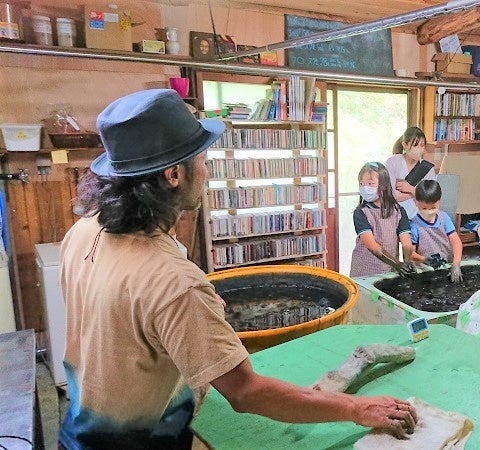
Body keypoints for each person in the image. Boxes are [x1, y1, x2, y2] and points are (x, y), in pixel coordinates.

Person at [58, 90, 416, 449]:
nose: (207, 169)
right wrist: (357, 407)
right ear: (173, 174)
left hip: (75, 433)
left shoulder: (85, 230)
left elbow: (120, 324)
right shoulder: (174, 283)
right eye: (202, 159)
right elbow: (246, 392)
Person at [351, 161, 417, 278]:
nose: (365, 188)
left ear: (383, 185)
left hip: (389, 270)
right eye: (361, 184)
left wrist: (407, 261)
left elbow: (406, 241)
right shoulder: (361, 213)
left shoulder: (399, 211)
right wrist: (397, 264)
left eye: (370, 183)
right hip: (364, 271)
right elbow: (372, 246)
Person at [408, 180, 464, 283]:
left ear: (439, 201)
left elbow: (456, 242)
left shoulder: (444, 217)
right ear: (415, 202)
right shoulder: (413, 225)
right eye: (424, 208)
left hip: (446, 266)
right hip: (425, 272)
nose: (429, 211)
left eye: (433, 207)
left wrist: (456, 264)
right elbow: (410, 253)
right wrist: (424, 259)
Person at [385, 126, 436, 218]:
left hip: (419, 217)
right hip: (395, 216)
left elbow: (431, 199)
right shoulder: (393, 162)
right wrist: (420, 194)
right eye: (415, 145)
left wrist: (412, 190)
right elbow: (391, 195)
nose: (419, 149)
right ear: (404, 145)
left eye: (422, 145)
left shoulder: (427, 168)